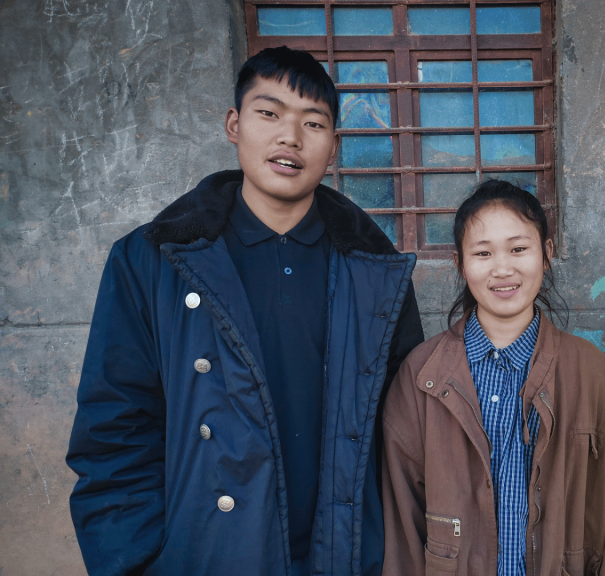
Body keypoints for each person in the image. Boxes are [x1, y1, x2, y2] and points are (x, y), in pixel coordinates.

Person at [65, 46, 423, 576]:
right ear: (234, 124)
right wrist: (140, 563)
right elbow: (113, 436)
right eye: (269, 113)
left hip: (347, 556)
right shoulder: (153, 261)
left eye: (313, 123)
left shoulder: (377, 272)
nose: (290, 137)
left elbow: (407, 438)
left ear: (333, 147)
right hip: (211, 556)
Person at [381, 180, 605, 576]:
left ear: (547, 254)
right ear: (460, 264)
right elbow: (401, 520)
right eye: (483, 253)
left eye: (519, 249)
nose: (502, 268)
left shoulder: (589, 370)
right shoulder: (423, 373)